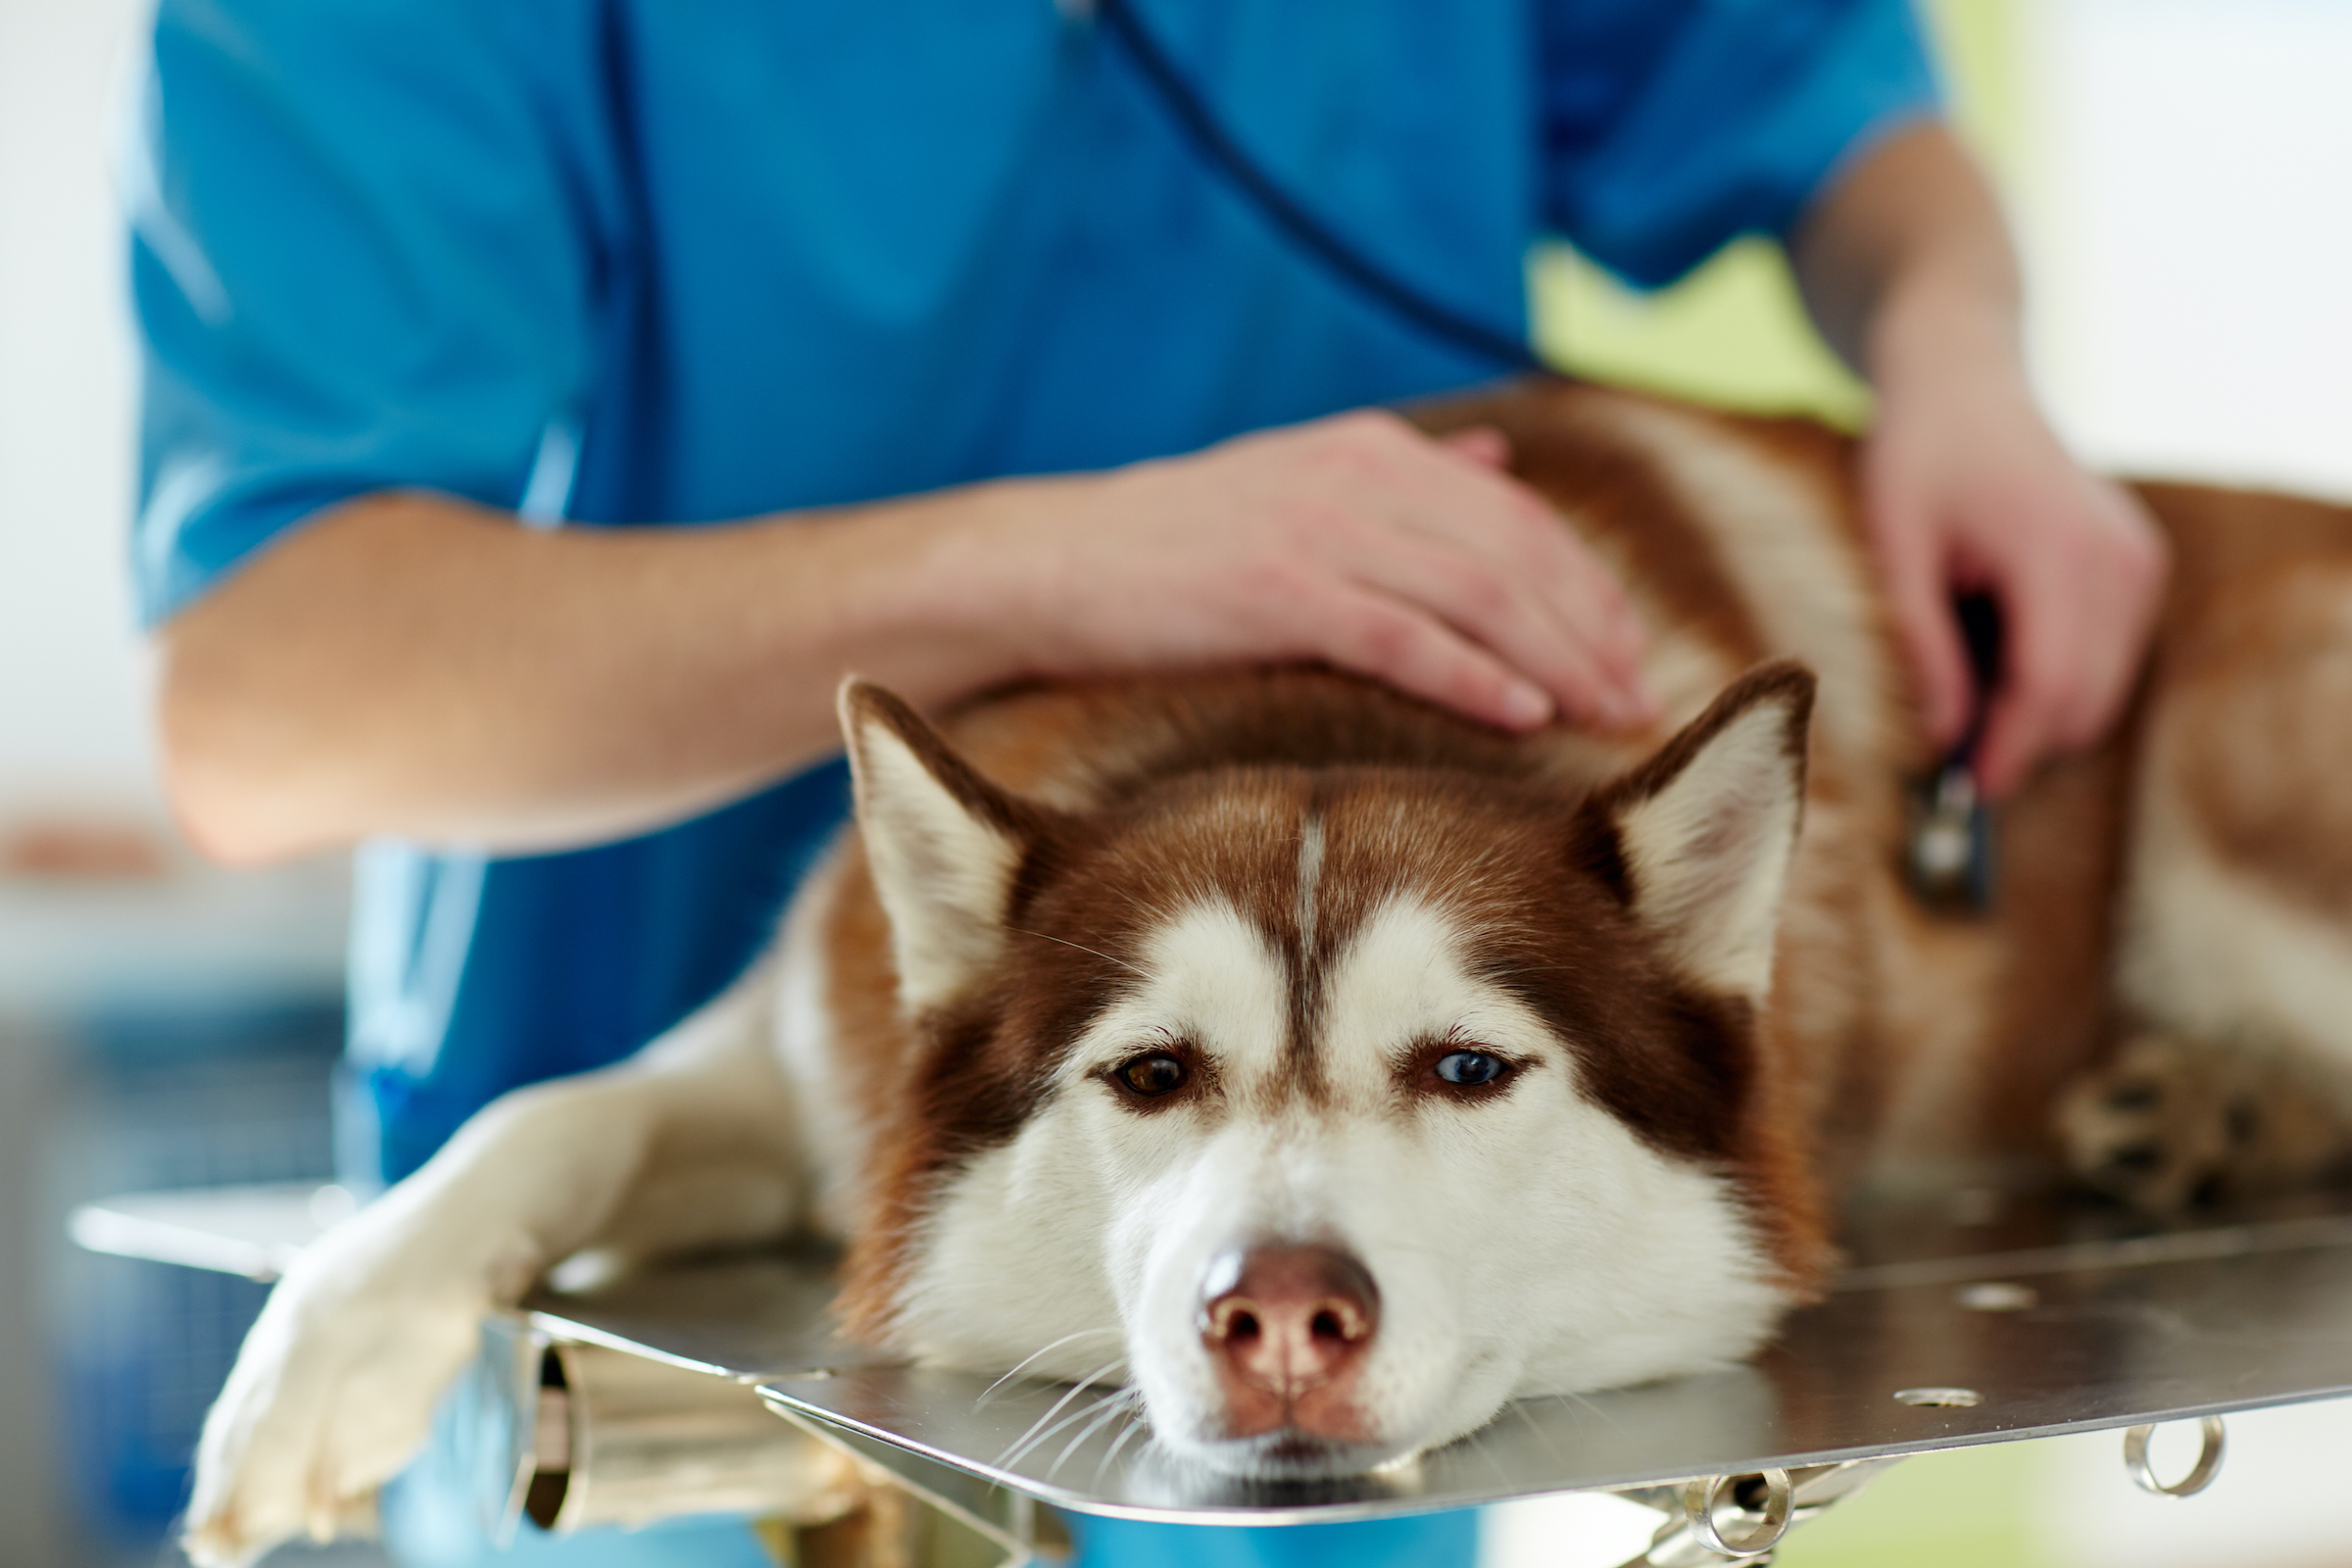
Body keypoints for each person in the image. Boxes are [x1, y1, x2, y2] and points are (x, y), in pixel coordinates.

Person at [131, 2, 2165, 1564]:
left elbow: (1810, 96)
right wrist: (1044, 563)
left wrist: (1961, 356)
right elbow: (264, 697)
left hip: (1324, 1373)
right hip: (686, 1304)